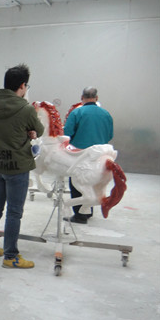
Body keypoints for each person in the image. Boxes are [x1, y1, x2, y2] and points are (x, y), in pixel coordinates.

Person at [0, 64, 44, 269]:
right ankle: (11, 256)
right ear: (22, 86)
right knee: (14, 212)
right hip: (17, 167)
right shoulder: (26, 109)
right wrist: (30, 132)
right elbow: (39, 130)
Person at [63, 86, 114, 224]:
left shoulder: (77, 112)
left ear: (82, 98)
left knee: (77, 184)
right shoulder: (106, 114)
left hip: (81, 155)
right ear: (96, 98)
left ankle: (79, 215)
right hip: (101, 156)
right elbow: (110, 135)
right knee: (93, 184)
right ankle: (88, 211)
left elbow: (67, 133)